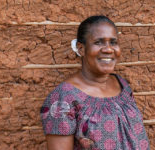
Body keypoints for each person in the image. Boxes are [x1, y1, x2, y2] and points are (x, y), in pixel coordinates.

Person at [40, 15, 149, 150]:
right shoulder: (63, 98)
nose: (108, 49)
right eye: (99, 42)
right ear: (81, 49)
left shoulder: (122, 85)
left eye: (113, 42)